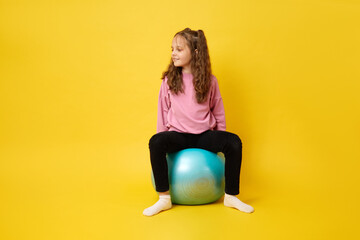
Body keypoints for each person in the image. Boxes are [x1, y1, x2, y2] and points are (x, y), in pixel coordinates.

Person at [143, 28, 254, 216]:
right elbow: (163, 111)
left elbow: (217, 111)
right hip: (178, 136)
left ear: (195, 52)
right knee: (156, 142)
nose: (173, 53)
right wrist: (161, 136)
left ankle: (231, 196)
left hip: (204, 136)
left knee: (234, 141)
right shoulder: (169, 80)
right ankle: (164, 198)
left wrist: (220, 141)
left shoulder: (210, 81)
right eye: (172, 49)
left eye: (179, 49)